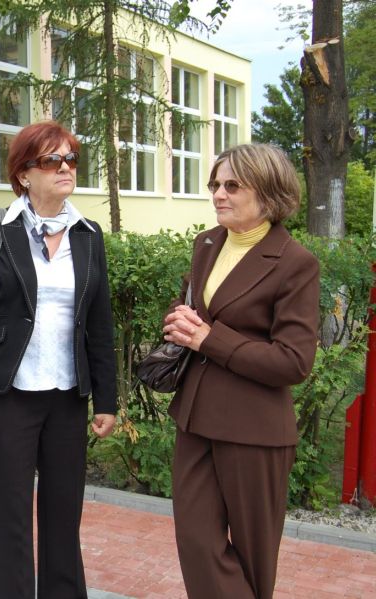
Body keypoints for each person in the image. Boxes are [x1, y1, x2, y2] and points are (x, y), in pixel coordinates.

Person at [0, 120, 117, 599]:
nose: (65, 167)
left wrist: (106, 399)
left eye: (71, 158)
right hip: (9, 394)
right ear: (24, 174)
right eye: (52, 160)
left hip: (67, 397)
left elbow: (99, 323)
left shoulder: (88, 234)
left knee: (64, 516)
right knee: (9, 518)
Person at [162, 143, 320, 599]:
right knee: (197, 542)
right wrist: (178, 320)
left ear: (267, 193)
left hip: (255, 430)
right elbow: (195, 308)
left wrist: (209, 338)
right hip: (195, 418)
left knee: (254, 560)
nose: (218, 194)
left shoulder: (295, 263)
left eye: (232, 185)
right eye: (215, 184)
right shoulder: (208, 243)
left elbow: (293, 360)